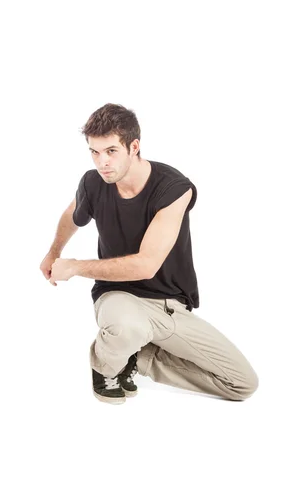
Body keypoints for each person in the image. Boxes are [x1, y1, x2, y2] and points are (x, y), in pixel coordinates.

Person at [40, 103, 259, 405]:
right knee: (126, 327)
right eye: (94, 151)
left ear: (134, 146)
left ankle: (139, 359)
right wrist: (54, 252)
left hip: (169, 306)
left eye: (111, 151)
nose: (102, 162)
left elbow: (146, 265)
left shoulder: (173, 188)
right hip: (118, 296)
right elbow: (72, 214)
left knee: (242, 384)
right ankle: (106, 366)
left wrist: (76, 266)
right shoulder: (93, 183)